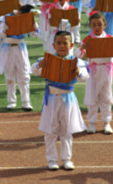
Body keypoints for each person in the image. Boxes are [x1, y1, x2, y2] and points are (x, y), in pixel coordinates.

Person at [32, 30, 88, 171]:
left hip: (68, 97)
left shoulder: (77, 62)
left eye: (65, 43)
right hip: (51, 97)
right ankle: (51, 159)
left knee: (67, 129)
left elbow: (85, 76)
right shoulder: (47, 59)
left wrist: (78, 72)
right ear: (54, 45)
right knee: (51, 130)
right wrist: (40, 65)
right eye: (59, 43)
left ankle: (66, 159)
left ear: (71, 45)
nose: (62, 46)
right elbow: (34, 70)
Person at [80, 12, 113, 134]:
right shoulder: (88, 40)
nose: (97, 27)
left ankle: (106, 122)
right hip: (93, 71)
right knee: (92, 97)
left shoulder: (109, 38)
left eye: (99, 24)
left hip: (106, 70)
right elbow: (80, 55)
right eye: (94, 25)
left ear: (105, 24)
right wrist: (82, 48)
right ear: (90, 26)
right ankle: (92, 123)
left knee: (106, 97)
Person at [0, 5, 35, 111]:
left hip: (20, 48)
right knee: (9, 76)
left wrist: (33, 26)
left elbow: (35, 33)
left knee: (24, 75)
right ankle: (11, 101)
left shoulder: (26, 19)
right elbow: (0, 33)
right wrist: (7, 30)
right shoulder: (6, 18)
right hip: (8, 48)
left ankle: (26, 102)